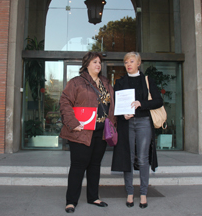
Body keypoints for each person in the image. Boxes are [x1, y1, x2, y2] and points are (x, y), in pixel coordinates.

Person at [59, 52, 116, 213]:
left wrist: (113, 123)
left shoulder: (106, 83)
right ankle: (71, 201)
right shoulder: (76, 82)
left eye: (99, 62)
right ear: (86, 64)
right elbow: (64, 101)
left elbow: (112, 105)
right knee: (78, 166)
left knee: (95, 165)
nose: (98, 64)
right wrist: (73, 123)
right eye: (94, 62)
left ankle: (93, 197)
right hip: (81, 131)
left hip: (101, 131)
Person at [111, 51, 163, 209]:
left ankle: (143, 193)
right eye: (126, 62)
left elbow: (158, 101)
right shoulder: (120, 82)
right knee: (128, 157)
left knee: (142, 158)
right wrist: (122, 114)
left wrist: (141, 103)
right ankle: (129, 193)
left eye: (131, 61)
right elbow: (115, 106)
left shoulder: (147, 80)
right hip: (127, 124)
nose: (128, 64)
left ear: (138, 63)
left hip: (143, 122)